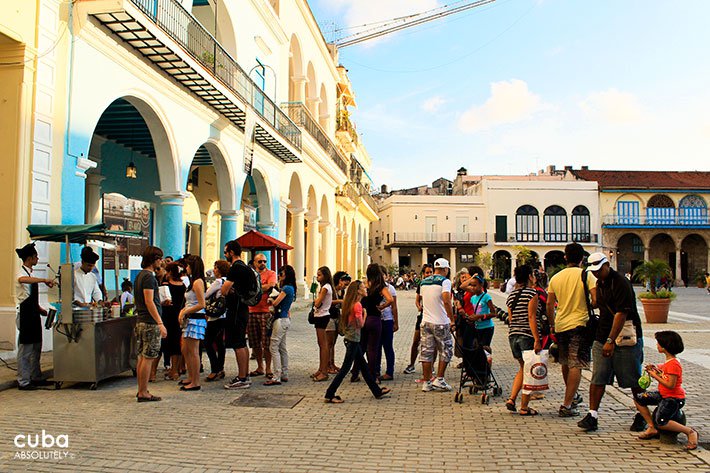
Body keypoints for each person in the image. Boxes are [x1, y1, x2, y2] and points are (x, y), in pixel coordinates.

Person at [578, 252, 646, 432]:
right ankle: (592, 414)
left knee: (632, 378)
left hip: (625, 336)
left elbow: (621, 313)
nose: (596, 274)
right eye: (593, 271)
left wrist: (610, 340)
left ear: (607, 265)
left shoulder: (620, 282)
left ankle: (642, 414)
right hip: (603, 335)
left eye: (599, 270)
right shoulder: (600, 283)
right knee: (598, 376)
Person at [546, 242, 597, 417]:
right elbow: (596, 300)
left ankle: (572, 396)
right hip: (580, 324)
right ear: (583, 257)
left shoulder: (556, 278)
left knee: (566, 362)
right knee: (577, 364)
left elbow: (549, 304)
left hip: (561, 324)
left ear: (565, 257)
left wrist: (552, 324)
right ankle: (567, 405)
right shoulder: (587, 275)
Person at [324, 280, 391, 403]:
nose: (366, 288)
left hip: (351, 339)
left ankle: (376, 391)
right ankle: (330, 393)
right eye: (363, 287)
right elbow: (360, 324)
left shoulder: (351, 304)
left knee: (364, 368)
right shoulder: (358, 306)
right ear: (358, 291)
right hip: (353, 340)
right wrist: (365, 314)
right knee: (345, 368)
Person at [635, 331, 698, 450]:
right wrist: (656, 369)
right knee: (639, 398)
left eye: (658, 343)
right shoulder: (669, 362)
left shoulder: (674, 364)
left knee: (661, 421)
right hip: (664, 394)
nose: (657, 345)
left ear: (664, 347)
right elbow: (665, 373)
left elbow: (671, 384)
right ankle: (651, 426)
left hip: (673, 398)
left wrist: (655, 376)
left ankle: (690, 432)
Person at [15, 243, 54, 390]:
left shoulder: (31, 274)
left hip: (33, 314)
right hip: (24, 315)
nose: (37, 258)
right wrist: (43, 280)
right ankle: (23, 381)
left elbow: (31, 297)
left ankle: (36, 376)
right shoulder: (21, 274)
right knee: (26, 349)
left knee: (36, 347)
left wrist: (41, 310)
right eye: (36, 256)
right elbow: (23, 280)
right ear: (30, 258)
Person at [504, 264, 542, 416]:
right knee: (528, 371)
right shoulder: (532, 293)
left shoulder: (512, 295)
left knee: (522, 368)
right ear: (529, 277)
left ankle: (512, 399)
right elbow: (532, 317)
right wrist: (537, 339)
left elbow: (511, 318)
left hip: (513, 335)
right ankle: (524, 407)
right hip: (527, 335)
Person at [134, 246, 167, 402]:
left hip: (142, 320)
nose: (161, 261)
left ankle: (141, 389)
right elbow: (149, 301)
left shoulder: (140, 276)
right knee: (148, 357)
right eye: (159, 258)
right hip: (149, 322)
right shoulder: (149, 277)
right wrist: (160, 322)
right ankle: (143, 391)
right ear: (154, 259)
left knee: (142, 356)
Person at [351, 263, 393, 383]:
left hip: (364, 319)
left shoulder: (365, 284)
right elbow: (390, 299)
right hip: (375, 319)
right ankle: (373, 376)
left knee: (361, 347)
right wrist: (382, 306)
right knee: (373, 349)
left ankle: (354, 373)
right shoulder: (381, 287)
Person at [419, 258, 455, 392]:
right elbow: (446, 299)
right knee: (445, 350)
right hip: (440, 322)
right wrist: (451, 319)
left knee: (426, 352)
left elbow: (423, 299)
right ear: (446, 269)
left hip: (426, 321)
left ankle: (427, 381)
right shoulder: (445, 281)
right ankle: (439, 379)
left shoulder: (424, 281)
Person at [222, 240, 254, 390]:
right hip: (244, 309)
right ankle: (245, 375)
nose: (225, 255)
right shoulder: (246, 267)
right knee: (242, 343)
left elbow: (224, 290)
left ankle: (242, 378)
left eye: (226, 252)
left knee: (238, 344)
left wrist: (226, 289)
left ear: (231, 252)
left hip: (235, 310)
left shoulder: (235, 268)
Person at [177, 255, 206, 391]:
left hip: (195, 319)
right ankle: (191, 376)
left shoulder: (197, 282)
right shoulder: (193, 282)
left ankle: (195, 381)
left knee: (193, 351)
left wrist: (185, 311)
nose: (186, 268)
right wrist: (184, 311)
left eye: (188, 266)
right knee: (186, 350)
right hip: (190, 318)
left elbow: (201, 304)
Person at [264, 265, 297, 386]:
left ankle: (276, 375)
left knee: (273, 347)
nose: (279, 276)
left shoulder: (287, 288)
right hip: (285, 319)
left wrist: (270, 300)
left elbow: (276, 302)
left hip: (280, 319)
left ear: (286, 275)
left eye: (281, 274)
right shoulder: (291, 288)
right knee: (282, 347)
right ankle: (284, 373)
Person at [247, 253, 277, 378]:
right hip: (252, 311)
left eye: (264, 261)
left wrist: (256, 288)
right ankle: (260, 367)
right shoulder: (250, 275)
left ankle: (269, 368)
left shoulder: (271, 273)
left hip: (265, 312)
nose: (263, 263)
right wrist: (261, 288)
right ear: (254, 263)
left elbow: (271, 286)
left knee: (266, 342)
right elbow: (247, 288)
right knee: (255, 342)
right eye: (260, 261)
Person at [404, 264, 433, 375]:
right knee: (416, 341)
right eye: (427, 272)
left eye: (431, 272)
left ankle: (431, 367)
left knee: (432, 343)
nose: (429, 274)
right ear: (423, 274)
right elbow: (417, 300)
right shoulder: (422, 285)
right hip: (422, 315)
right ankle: (411, 364)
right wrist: (418, 306)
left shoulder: (436, 285)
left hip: (432, 316)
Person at [204, 260, 229, 382]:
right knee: (220, 343)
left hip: (215, 316)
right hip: (224, 315)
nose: (213, 270)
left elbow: (206, 294)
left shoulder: (218, 282)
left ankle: (215, 369)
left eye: (215, 268)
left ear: (219, 270)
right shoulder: (226, 281)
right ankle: (220, 368)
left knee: (208, 342)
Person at [160, 263, 186, 381]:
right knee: (176, 343)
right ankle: (175, 370)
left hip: (167, 315)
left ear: (169, 272)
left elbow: (162, 299)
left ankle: (153, 373)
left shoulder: (166, 284)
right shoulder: (183, 285)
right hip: (179, 315)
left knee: (164, 343)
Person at [311, 266, 335, 382]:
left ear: (325, 276)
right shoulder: (326, 287)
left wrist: (315, 301)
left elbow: (317, 302)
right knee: (321, 344)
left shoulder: (325, 288)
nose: (317, 277)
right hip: (321, 316)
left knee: (323, 344)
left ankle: (324, 371)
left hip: (322, 316)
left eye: (319, 275)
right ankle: (321, 369)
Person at [460, 273, 496, 347]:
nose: (472, 288)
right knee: (478, 349)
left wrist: (481, 316)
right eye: (471, 285)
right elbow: (475, 311)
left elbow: (494, 313)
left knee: (485, 349)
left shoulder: (486, 297)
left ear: (481, 285)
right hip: (477, 327)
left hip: (487, 327)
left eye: (475, 285)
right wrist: (470, 317)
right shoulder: (473, 298)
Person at [327, 271, 350, 375]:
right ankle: (327, 365)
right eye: (345, 284)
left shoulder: (341, 291)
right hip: (329, 318)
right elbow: (327, 302)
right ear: (339, 281)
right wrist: (340, 302)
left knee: (333, 343)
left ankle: (332, 363)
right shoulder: (330, 289)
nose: (345, 287)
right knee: (329, 343)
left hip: (337, 317)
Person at [377, 265, 398, 381]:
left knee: (388, 346)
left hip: (388, 319)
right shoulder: (373, 288)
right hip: (377, 320)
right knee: (377, 346)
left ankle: (390, 371)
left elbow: (394, 307)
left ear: (386, 276)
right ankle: (376, 370)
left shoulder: (390, 289)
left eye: (383, 275)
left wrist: (396, 322)